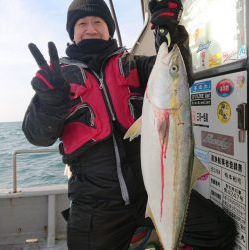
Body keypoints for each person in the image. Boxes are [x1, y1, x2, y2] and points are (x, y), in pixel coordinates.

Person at [22, 0, 237, 249]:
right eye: (82, 24)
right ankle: (145, 233)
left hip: (150, 188)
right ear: (72, 32)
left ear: (109, 30)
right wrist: (50, 101)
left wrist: (169, 32)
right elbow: (37, 135)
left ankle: (154, 231)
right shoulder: (58, 79)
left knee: (218, 231)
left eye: (98, 22)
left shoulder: (135, 65)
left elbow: (179, 78)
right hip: (96, 203)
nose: (90, 28)